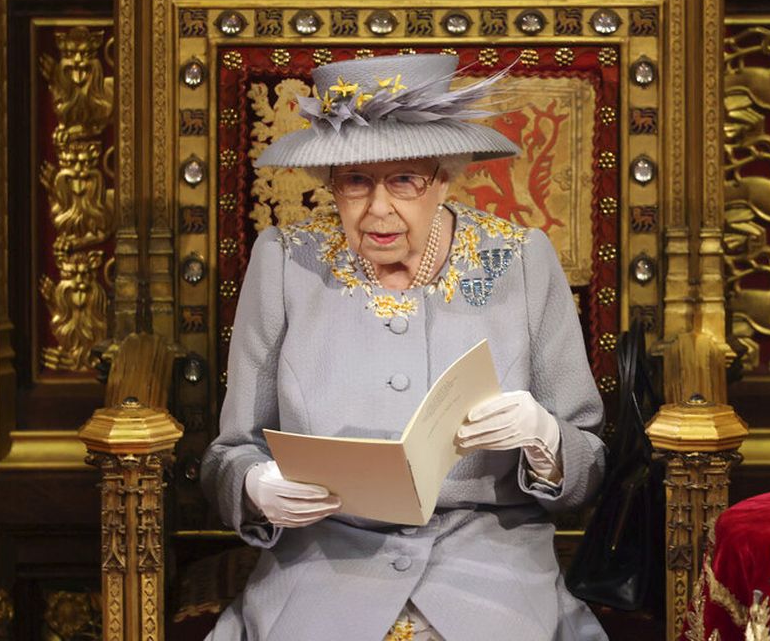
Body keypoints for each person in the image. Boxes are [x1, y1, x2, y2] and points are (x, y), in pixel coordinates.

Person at [202, 54, 608, 641]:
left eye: (404, 180)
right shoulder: (287, 261)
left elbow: (589, 464)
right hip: (324, 565)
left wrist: (545, 439)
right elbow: (229, 452)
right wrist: (254, 488)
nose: (378, 209)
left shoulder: (515, 259)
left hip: (489, 566)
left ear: (444, 177)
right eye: (356, 182)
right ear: (330, 183)